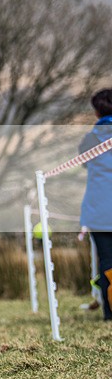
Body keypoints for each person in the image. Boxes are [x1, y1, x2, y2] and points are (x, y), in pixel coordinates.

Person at [80, 88, 112, 321]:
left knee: (107, 262)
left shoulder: (90, 140)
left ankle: (109, 313)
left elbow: (84, 164)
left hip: (98, 212)